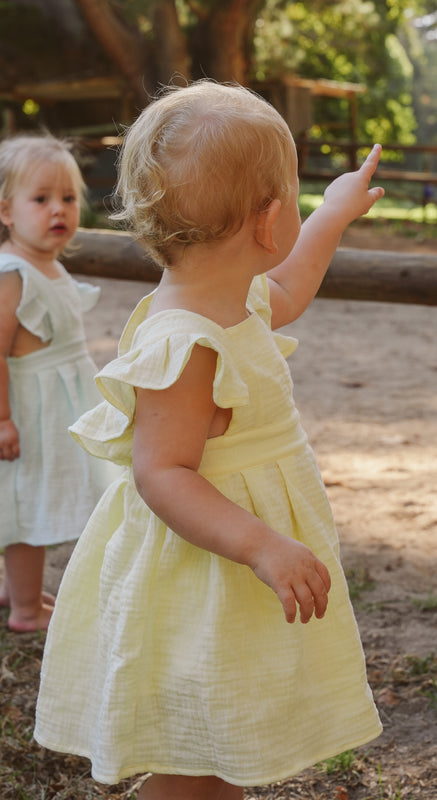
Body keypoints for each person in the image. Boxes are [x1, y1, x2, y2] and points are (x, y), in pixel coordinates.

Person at [34, 81, 384, 798]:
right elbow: (160, 472)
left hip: (236, 574)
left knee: (224, 742)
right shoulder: (184, 342)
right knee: (191, 765)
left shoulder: (230, 292)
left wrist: (332, 214)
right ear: (264, 220)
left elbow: (287, 290)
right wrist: (261, 544)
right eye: (292, 194)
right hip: (206, 575)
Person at [0, 133, 113, 633]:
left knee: (31, 496)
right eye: (41, 200)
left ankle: (12, 589)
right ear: (6, 211)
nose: (58, 210)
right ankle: (25, 610)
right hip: (22, 411)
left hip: (50, 409)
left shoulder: (48, 265)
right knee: (28, 506)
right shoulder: (9, 275)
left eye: (67, 198)